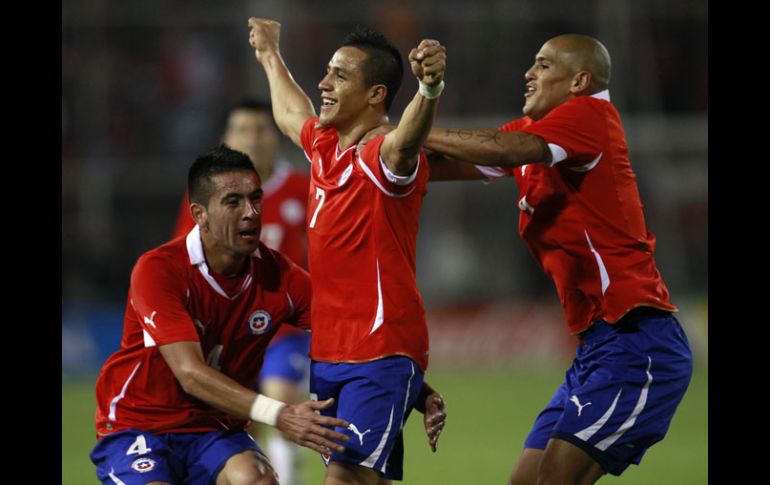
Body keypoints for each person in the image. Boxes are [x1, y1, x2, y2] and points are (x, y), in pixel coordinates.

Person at [416, 34, 693, 484]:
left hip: (636, 342)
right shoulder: (541, 138)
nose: (528, 74)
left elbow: (499, 149)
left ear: (579, 80)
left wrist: (395, 133)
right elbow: (441, 161)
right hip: (599, 348)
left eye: (543, 66)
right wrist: (380, 143)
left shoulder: (589, 116)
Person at [248, 18, 447, 484]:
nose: (324, 83)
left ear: (375, 94)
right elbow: (289, 112)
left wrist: (429, 89)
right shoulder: (323, 147)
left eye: (339, 75)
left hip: (378, 348)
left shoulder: (383, 156)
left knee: (345, 479)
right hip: (330, 353)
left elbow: (407, 141)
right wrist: (269, 54)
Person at [90, 145, 349, 485]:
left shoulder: (280, 276)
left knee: (256, 478)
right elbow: (190, 374)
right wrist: (280, 414)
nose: (251, 212)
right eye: (233, 202)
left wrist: (413, 386)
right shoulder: (159, 270)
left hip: (213, 428)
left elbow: (348, 332)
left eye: (256, 198)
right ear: (200, 213)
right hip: (139, 424)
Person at [172, 99, 312, 485]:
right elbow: (184, 260)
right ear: (227, 139)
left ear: (277, 137)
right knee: (239, 427)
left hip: (283, 327)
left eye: (261, 129)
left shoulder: (305, 188)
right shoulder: (206, 199)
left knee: (281, 396)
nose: (252, 137)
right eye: (243, 130)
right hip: (229, 331)